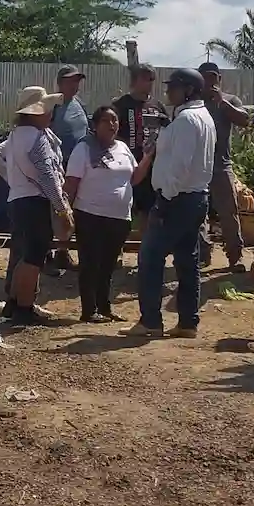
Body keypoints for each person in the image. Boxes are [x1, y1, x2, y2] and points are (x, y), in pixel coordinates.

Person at [127, 68, 215, 339]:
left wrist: (165, 199)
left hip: (177, 198)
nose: (168, 92)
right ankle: (188, 322)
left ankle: (151, 321)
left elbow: (180, 166)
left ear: (189, 90)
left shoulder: (188, 120)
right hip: (194, 198)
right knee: (187, 261)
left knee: (151, 257)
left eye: (174, 87)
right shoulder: (201, 117)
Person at [67, 106, 153, 322]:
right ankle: (89, 310)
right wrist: (64, 212)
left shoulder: (122, 148)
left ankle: (104, 307)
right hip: (90, 214)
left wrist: (148, 158)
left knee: (108, 265)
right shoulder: (84, 149)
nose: (112, 124)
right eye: (106, 121)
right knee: (90, 263)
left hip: (119, 217)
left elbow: (133, 178)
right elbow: (72, 183)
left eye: (114, 120)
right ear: (95, 126)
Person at [4, 86, 72, 325]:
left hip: (19, 200)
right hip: (34, 202)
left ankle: (14, 303)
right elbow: (47, 175)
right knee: (34, 257)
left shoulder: (15, 135)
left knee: (25, 255)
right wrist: (61, 208)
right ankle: (24, 306)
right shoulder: (36, 137)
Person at [196, 61, 252, 268]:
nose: (209, 81)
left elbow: (245, 120)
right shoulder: (193, 101)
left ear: (220, 79)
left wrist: (222, 103)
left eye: (213, 77)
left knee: (229, 211)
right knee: (197, 212)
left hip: (221, 164)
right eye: (205, 77)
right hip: (197, 165)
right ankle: (202, 255)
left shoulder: (229, 100)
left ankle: (235, 257)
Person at [48, 64, 91, 271]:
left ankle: (62, 252)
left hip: (79, 166)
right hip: (60, 166)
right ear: (61, 83)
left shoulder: (79, 104)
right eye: (71, 81)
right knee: (55, 210)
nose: (76, 85)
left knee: (71, 210)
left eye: (77, 81)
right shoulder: (52, 106)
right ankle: (47, 254)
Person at [112, 64, 168, 220]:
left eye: (152, 79)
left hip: (152, 168)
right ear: (134, 81)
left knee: (148, 211)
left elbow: (168, 131)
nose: (149, 83)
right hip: (126, 166)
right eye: (145, 79)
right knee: (123, 208)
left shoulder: (157, 107)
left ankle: (144, 243)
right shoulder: (120, 105)